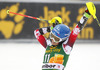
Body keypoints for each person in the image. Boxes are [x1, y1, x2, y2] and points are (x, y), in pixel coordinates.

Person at [34, 2, 96, 70]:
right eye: (52, 36)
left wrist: (86, 15)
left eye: (56, 39)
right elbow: (37, 33)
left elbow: (76, 31)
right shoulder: (48, 44)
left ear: (62, 40)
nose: (52, 40)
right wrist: (51, 28)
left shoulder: (66, 47)